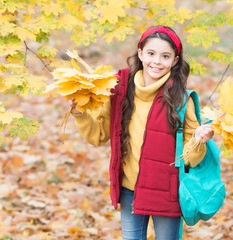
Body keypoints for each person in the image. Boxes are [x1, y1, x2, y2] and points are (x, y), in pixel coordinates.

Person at [69, 25, 214, 240]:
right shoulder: (119, 89)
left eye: (165, 56)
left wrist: (199, 141)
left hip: (167, 193)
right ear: (140, 54)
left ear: (175, 60)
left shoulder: (181, 99)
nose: (157, 61)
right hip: (130, 190)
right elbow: (98, 136)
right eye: (151, 53)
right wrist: (80, 113)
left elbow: (190, 159)